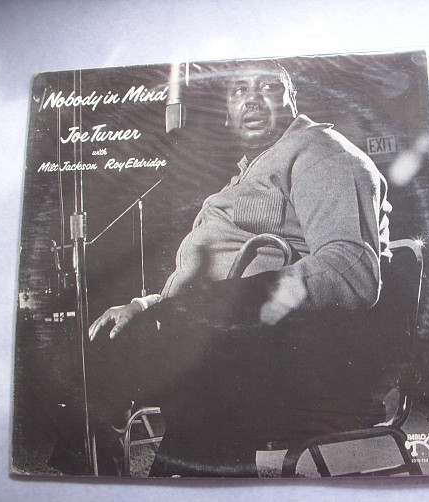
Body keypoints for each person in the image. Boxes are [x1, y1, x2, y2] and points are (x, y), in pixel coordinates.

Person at [88, 59, 392, 477]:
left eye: (268, 87)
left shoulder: (321, 152)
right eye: (239, 90)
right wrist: (145, 305)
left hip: (275, 349)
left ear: (291, 99)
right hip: (212, 328)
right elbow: (207, 282)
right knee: (93, 346)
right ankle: (95, 477)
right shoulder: (250, 173)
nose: (252, 99)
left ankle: (192, 476)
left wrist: (225, 303)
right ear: (228, 114)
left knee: (183, 362)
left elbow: (351, 270)